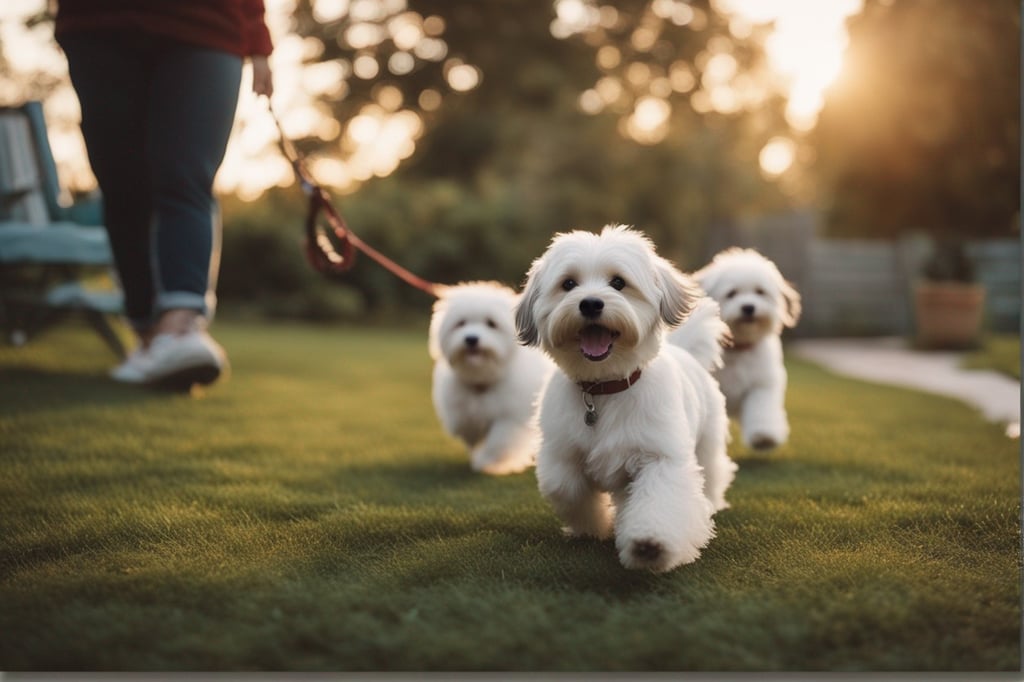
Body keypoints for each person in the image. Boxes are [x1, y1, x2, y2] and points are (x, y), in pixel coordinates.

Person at [54, 0, 274, 389]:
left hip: (210, 24)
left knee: (186, 176)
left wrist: (258, 40)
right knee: (123, 187)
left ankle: (180, 327)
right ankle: (147, 335)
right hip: (99, 23)